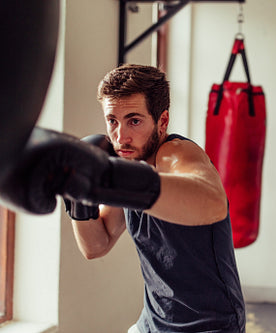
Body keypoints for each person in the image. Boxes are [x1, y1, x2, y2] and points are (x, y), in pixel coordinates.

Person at [67, 64, 246, 333]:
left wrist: (116, 179)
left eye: (134, 121)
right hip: (153, 322)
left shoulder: (177, 153)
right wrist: (78, 198)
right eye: (112, 120)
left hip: (209, 326)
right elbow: (96, 246)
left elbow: (213, 202)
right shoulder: (127, 163)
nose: (120, 136)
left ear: (162, 121)